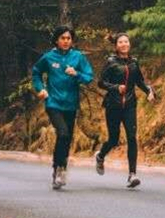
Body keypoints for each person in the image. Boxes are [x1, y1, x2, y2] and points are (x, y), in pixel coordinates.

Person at [31, 25, 94, 190]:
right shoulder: (49, 57)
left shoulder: (78, 57)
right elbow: (36, 72)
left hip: (71, 104)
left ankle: (60, 167)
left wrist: (77, 74)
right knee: (63, 132)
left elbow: (89, 77)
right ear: (57, 40)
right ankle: (59, 170)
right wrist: (41, 89)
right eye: (63, 38)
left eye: (69, 39)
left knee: (66, 138)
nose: (66, 41)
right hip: (53, 103)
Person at [95, 32, 155, 188]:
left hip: (129, 105)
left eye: (126, 42)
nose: (124, 44)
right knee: (113, 139)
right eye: (120, 42)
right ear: (116, 46)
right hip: (113, 105)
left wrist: (149, 91)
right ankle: (101, 156)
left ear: (129, 44)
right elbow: (101, 83)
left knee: (131, 137)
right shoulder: (110, 62)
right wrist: (116, 87)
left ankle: (132, 175)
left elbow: (140, 82)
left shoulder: (134, 63)